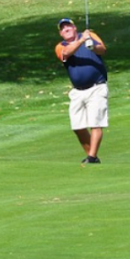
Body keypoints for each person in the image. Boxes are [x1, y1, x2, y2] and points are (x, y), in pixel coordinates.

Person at [55, 18, 108, 164]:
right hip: (77, 92)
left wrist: (91, 46)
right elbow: (66, 53)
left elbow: (102, 50)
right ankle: (93, 156)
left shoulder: (89, 35)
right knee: (77, 126)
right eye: (63, 28)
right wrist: (81, 41)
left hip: (97, 86)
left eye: (68, 26)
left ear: (74, 27)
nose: (66, 29)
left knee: (95, 123)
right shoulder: (61, 46)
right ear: (61, 33)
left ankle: (91, 157)